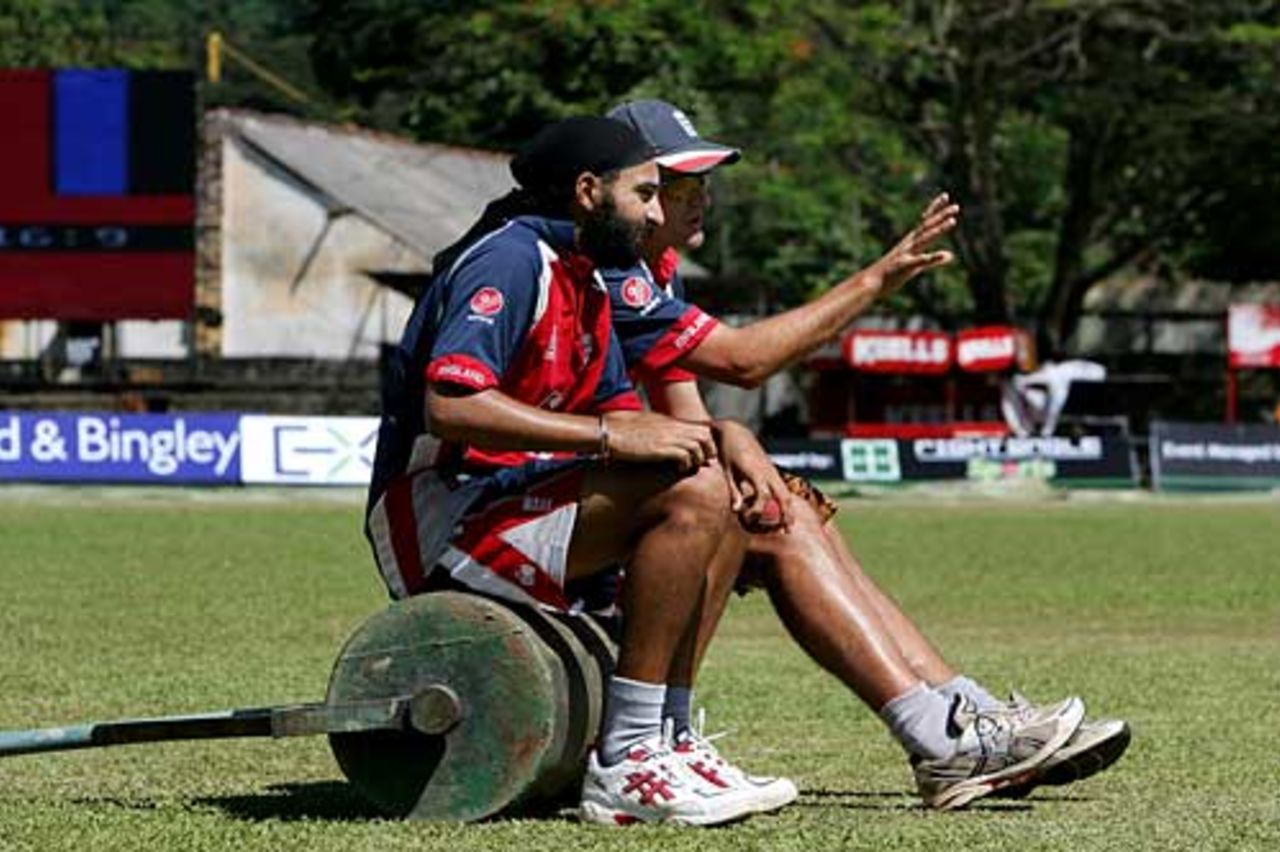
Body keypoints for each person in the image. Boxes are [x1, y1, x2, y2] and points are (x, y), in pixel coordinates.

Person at [600, 99, 1129, 809]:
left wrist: (738, 439)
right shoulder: (611, 271)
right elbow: (745, 362)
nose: (703, 200)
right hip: (564, 507)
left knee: (790, 509)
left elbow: (687, 414)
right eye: (677, 186)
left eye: (704, 184)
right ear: (611, 186)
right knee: (779, 520)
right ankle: (943, 736)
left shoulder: (655, 270)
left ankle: (963, 714)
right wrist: (875, 281)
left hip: (610, 492)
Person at [365, 116, 797, 827]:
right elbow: (452, 403)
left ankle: (669, 738)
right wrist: (606, 439)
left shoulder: (582, 277)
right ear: (590, 191)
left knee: (716, 484)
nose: (658, 213)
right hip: (438, 522)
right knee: (691, 491)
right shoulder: (508, 260)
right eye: (646, 194)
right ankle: (627, 760)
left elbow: (636, 423)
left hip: (504, 506)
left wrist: (724, 435)